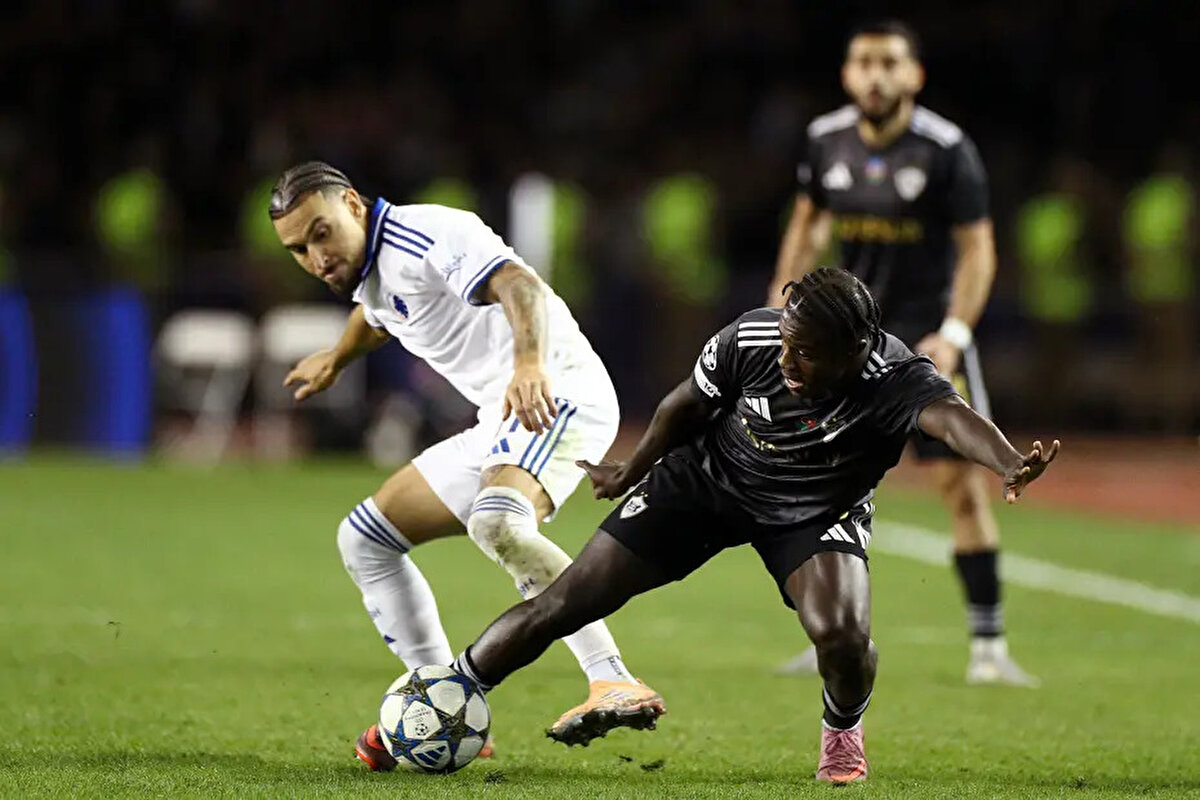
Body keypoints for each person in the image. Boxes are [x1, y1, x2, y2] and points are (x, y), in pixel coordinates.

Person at [448, 268, 1058, 783]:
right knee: (566, 601)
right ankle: (452, 692)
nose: (786, 360)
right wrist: (632, 471)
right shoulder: (752, 338)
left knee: (843, 636)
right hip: (707, 485)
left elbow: (950, 418)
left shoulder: (896, 377)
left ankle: (842, 734)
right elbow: (682, 406)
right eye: (787, 343)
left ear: (854, 353)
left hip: (816, 511)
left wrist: (1009, 462)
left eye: (806, 353)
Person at [267, 161, 662, 770]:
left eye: (320, 233)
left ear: (351, 203)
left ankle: (612, 678)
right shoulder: (369, 271)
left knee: (498, 523)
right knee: (365, 538)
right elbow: (377, 319)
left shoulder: (426, 234)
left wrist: (529, 364)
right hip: (497, 418)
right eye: (298, 249)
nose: (315, 256)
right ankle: (438, 707)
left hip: (557, 391)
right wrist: (337, 358)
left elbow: (519, 285)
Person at [766, 20, 1036, 685]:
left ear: (914, 75)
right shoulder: (825, 141)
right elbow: (807, 226)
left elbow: (978, 251)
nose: (875, 75)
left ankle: (989, 647)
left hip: (923, 341)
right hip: (843, 342)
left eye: (889, 63)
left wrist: (956, 333)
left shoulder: (947, 150)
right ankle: (833, 633)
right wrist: (783, 307)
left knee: (961, 486)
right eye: (863, 62)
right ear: (847, 74)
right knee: (822, 487)